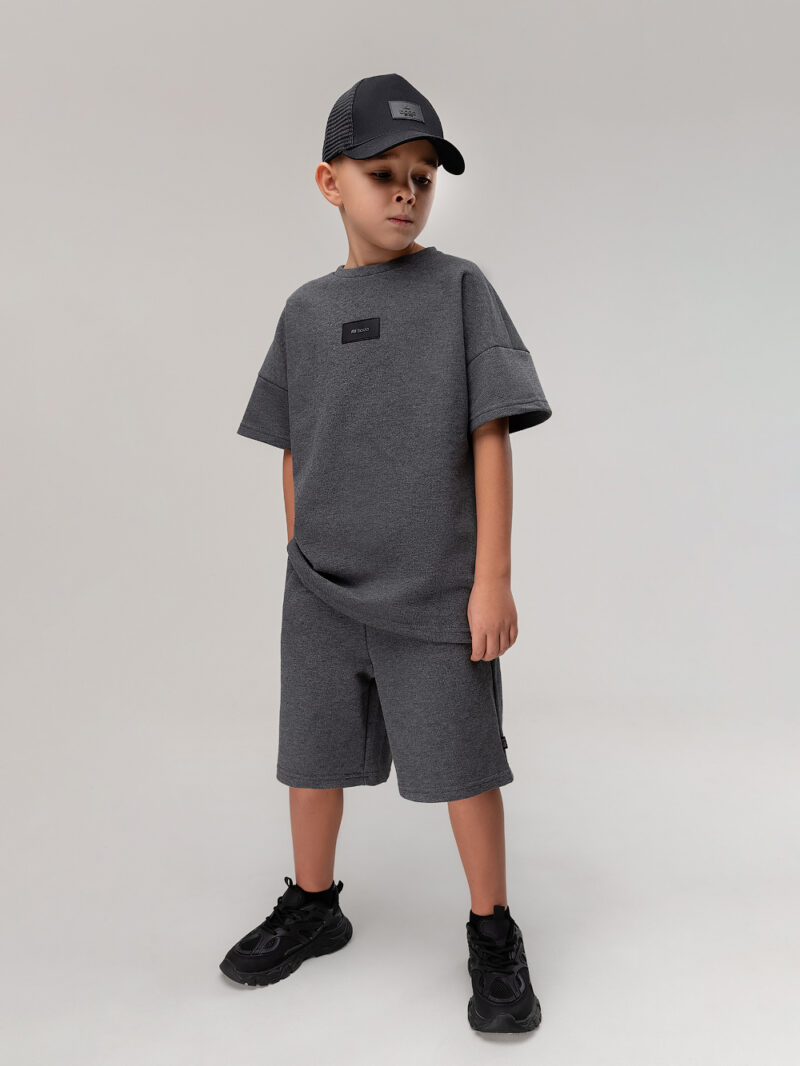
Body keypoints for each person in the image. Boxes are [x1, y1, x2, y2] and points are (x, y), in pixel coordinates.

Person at [219, 73, 552, 1034]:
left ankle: (493, 930)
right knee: (311, 757)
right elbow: (293, 443)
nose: (405, 192)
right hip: (320, 592)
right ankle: (313, 905)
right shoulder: (304, 311)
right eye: (383, 174)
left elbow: (491, 433)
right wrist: (300, 552)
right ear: (331, 182)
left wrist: (492, 581)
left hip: (435, 592)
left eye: (422, 177)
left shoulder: (460, 290)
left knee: (465, 765)